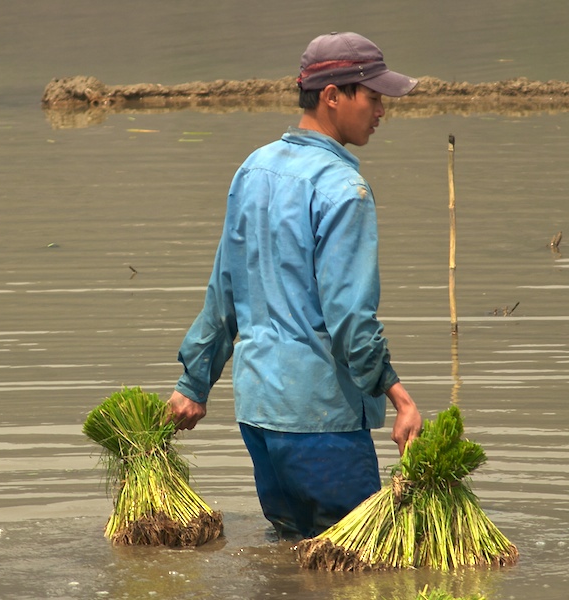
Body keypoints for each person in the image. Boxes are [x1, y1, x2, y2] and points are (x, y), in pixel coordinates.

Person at [167, 32, 423, 539]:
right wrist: (400, 398)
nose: (381, 112)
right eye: (372, 98)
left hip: (259, 414)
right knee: (354, 564)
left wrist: (194, 383)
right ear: (333, 95)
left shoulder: (254, 169)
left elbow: (224, 292)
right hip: (321, 419)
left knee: (290, 557)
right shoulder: (343, 188)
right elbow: (351, 319)